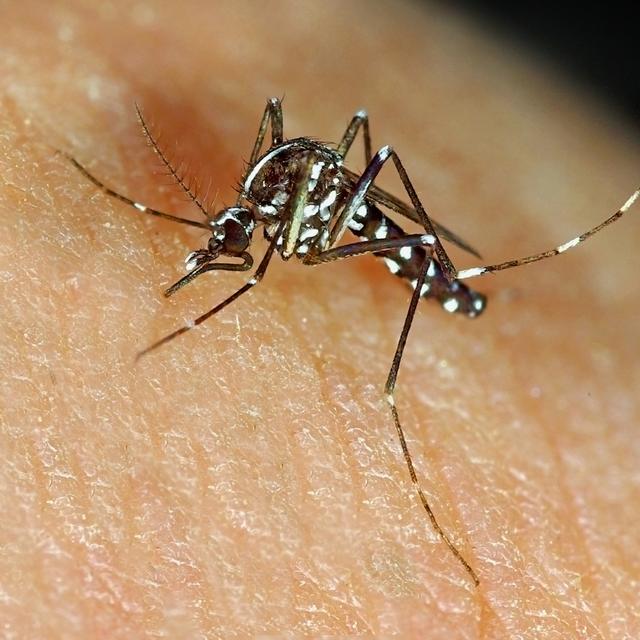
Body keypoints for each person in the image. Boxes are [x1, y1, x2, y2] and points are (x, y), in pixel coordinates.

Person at [1, 1, 638, 636]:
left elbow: (261, 262)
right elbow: (263, 208)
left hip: (350, 218)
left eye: (229, 235)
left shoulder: (269, 214)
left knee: (384, 186)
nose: (228, 244)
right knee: (324, 149)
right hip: (308, 199)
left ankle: (448, 298)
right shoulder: (254, 197)